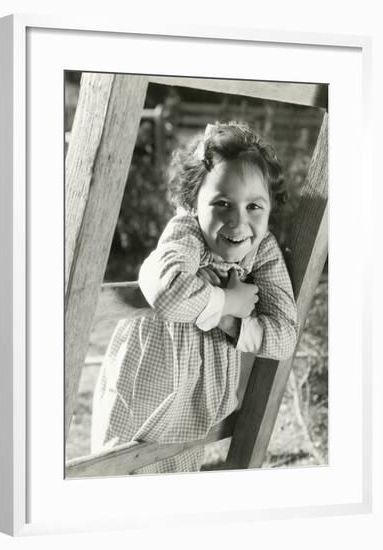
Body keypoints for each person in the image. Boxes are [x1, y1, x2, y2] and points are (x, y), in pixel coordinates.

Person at [91, 122, 298, 474]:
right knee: (117, 478)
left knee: (177, 485)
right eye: (221, 203)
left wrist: (230, 321)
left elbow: (285, 337)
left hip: (197, 399)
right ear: (193, 202)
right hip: (147, 387)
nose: (238, 221)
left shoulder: (263, 250)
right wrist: (227, 302)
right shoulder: (186, 233)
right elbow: (168, 289)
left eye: (254, 207)